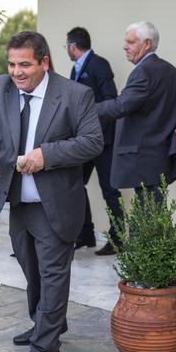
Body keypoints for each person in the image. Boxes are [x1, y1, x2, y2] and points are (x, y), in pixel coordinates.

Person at [0, 30, 103, 352]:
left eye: (24, 64)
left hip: (56, 205)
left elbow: (92, 142)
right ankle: (46, 322)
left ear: (44, 62)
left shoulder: (75, 94)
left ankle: (45, 349)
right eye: (11, 64)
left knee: (53, 275)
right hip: (16, 202)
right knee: (32, 271)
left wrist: (46, 155)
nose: (16, 72)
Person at [96, 21, 176, 254]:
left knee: (146, 225)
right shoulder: (171, 71)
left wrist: (82, 109)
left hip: (143, 161)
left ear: (147, 44)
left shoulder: (144, 72)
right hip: (159, 160)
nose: (125, 47)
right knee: (152, 218)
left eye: (130, 42)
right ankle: (154, 269)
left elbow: (121, 106)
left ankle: (149, 273)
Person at [65, 27, 122, 255]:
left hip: (103, 139)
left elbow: (111, 99)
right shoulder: (75, 69)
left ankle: (118, 240)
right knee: (75, 184)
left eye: (66, 46)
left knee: (109, 189)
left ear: (72, 47)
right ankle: (86, 233)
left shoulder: (99, 64)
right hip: (83, 140)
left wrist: (94, 124)